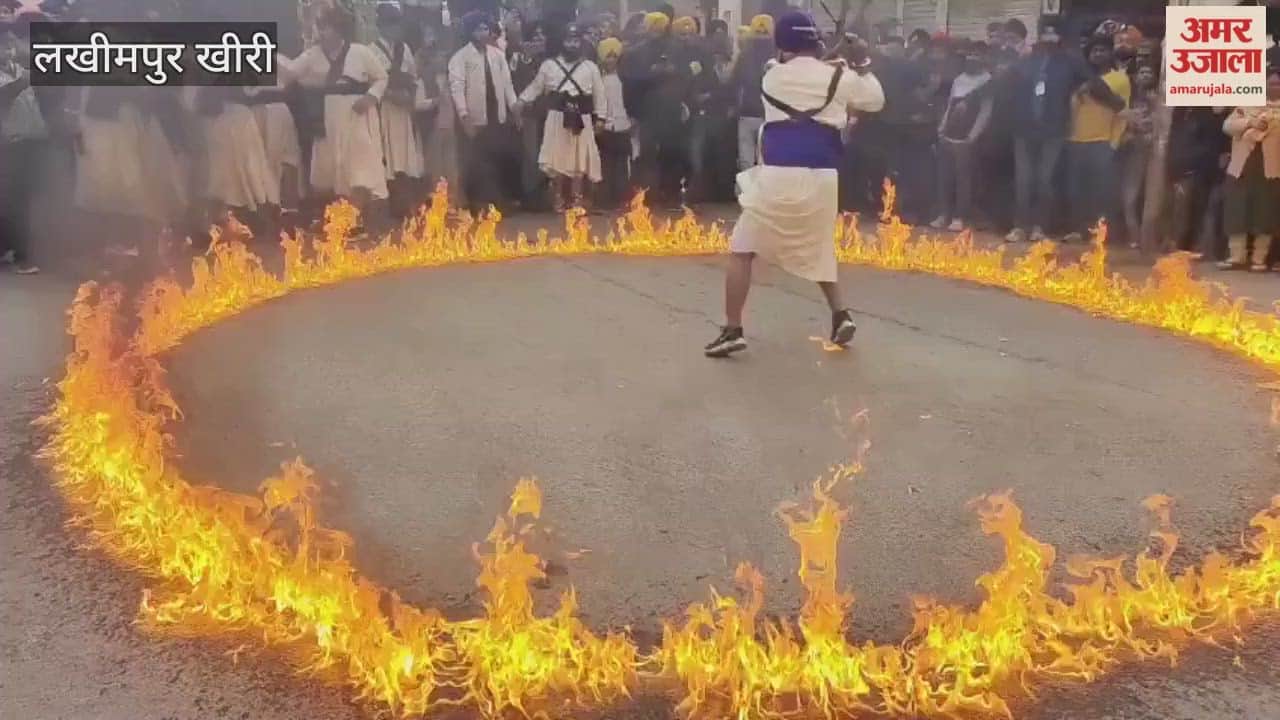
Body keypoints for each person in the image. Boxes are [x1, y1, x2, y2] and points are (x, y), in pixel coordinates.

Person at [705, 12, 884, 358]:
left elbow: (789, 68)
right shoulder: (841, 76)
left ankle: (732, 330)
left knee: (742, 251)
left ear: (782, 43)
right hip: (823, 178)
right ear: (815, 41)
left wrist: (831, 61)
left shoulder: (771, 76)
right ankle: (840, 314)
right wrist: (860, 61)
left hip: (778, 176)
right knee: (818, 247)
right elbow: (874, 100)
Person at [278, 6, 389, 217]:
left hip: (357, 115)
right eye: (319, 27)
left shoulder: (360, 52)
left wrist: (371, 97)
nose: (321, 32)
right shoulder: (312, 55)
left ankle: (355, 220)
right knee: (328, 173)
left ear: (339, 29)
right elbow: (291, 73)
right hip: (328, 117)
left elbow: (381, 77)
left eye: (325, 27)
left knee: (360, 168)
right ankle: (339, 221)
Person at [1006, 17, 1087, 243]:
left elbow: (1093, 82)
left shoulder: (1070, 62)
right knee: (1023, 181)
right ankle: (1020, 226)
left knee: (1044, 179)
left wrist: (1119, 107)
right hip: (1024, 129)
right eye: (1045, 32)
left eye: (1053, 33)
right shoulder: (1027, 60)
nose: (1049, 37)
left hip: (1053, 131)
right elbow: (1004, 83)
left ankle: (1039, 227)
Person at [517, 24, 607, 211]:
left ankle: (577, 198)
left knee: (579, 159)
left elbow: (599, 94)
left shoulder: (590, 67)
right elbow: (536, 87)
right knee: (557, 160)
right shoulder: (549, 66)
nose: (572, 45)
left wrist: (601, 117)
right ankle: (558, 197)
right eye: (568, 41)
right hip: (557, 117)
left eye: (575, 41)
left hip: (581, 118)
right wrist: (521, 101)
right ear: (561, 43)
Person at [448, 11, 521, 214]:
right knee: (476, 161)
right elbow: (457, 87)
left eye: (485, 28)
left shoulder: (497, 55)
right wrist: (464, 115)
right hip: (474, 118)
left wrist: (514, 107)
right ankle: (477, 204)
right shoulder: (460, 57)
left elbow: (507, 84)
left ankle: (496, 202)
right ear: (470, 32)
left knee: (496, 159)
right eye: (479, 29)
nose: (484, 32)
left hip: (496, 116)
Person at [1063, 35, 1129, 244]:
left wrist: (1114, 142)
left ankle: (1099, 233)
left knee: (1101, 192)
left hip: (1102, 141)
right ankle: (1077, 230)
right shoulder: (1077, 79)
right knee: (1076, 190)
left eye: (1102, 50)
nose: (1098, 54)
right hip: (1075, 140)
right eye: (1094, 51)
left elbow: (1123, 113)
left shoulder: (1119, 79)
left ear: (1110, 53)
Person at [1219, 66, 1279, 271]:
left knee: (1265, 213)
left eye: (1278, 84)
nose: (1274, 87)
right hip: (1241, 168)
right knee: (1237, 210)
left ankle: (1259, 259)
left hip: (1271, 171)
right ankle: (1237, 256)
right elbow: (1227, 126)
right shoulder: (1246, 105)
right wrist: (1250, 122)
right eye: (1271, 83)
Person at [372, 2, 429, 218]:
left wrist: (408, 97)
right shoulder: (372, 50)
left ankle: (405, 206)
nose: (394, 30)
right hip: (384, 109)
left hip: (404, 111)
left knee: (405, 158)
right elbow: (374, 80)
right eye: (390, 25)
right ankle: (388, 206)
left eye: (396, 25)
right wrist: (392, 94)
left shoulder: (404, 49)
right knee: (387, 156)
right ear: (382, 26)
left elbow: (412, 77)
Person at [930, 45, 992, 232]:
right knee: (945, 176)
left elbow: (985, 111)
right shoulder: (959, 79)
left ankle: (960, 216)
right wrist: (941, 126)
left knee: (963, 179)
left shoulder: (987, 81)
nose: (972, 58)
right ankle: (944, 214)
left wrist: (973, 135)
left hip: (967, 136)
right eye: (969, 54)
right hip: (949, 132)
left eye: (976, 55)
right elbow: (950, 104)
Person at [0, 24, 44, 274]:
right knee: (13, 202)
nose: (8, 50)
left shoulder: (21, 71)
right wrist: (20, 83)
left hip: (29, 142)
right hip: (7, 147)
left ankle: (8, 249)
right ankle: (20, 256)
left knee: (22, 201)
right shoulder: (18, 78)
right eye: (2, 46)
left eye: (9, 45)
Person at [510, 21, 549, 210]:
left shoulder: (549, 60)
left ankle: (543, 197)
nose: (539, 39)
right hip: (528, 114)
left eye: (542, 35)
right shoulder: (517, 58)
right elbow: (515, 85)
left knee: (546, 156)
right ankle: (529, 198)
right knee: (530, 156)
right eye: (535, 36)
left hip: (548, 114)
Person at [1118, 62, 1157, 248]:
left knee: (1150, 198)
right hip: (1131, 150)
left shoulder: (1159, 99)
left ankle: (1147, 238)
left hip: (1155, 151)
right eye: (1142, 71)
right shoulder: (1127, 97)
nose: (1145, 75)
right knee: (1130, 196)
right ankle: (1134, 237)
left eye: (1149, 71)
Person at [733, 14, 774, 173]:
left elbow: (734, 82)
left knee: (746, 161)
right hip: (770, 114)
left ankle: (746, 194)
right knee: (766, 160)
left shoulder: (744, 55)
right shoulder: (779, 55)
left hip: (748, 112)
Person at [596, 37, 632, 209]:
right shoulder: (598, 80)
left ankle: (622, 199)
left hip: (624, 126)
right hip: (606, 127)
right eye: (607, 56)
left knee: (622, 166)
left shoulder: (625, 79)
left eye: (613, 56)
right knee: (606, 165)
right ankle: (605, 200)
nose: (610, 59)